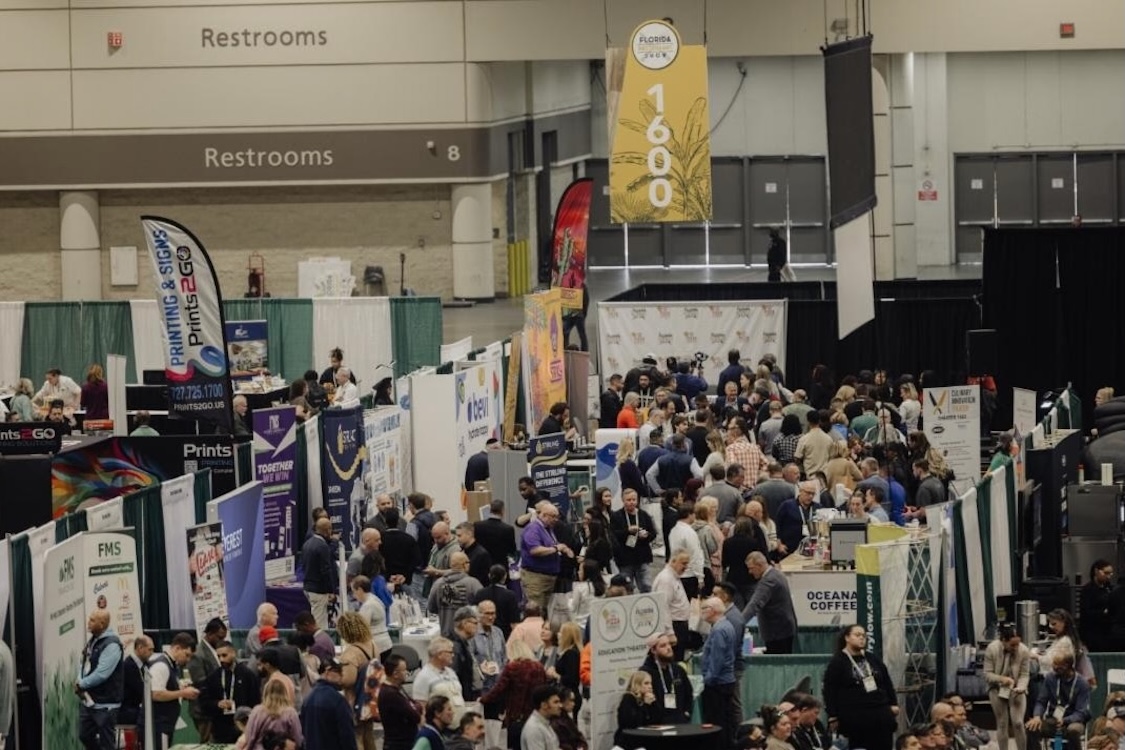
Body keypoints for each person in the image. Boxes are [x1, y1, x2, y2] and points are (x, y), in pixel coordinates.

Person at [822, 625, 899, 750]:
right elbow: (829, 691)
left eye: (864, 635)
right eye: (857, 635)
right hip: (855, 717)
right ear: (847, 637)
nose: (862, 638)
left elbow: (886, 682)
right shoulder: (838, 662)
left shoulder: (872, 658)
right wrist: (833, 715)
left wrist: (893, 704)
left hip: (880, 714)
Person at [481, 640, 549, 749]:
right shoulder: (539, 667)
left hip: (516, 716)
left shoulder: (512, 667)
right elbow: (545, 689)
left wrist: (483, 699)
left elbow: (499, 689)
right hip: (535, 716)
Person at [76, 609, 124, 750]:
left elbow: (102, 673)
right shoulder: (93, 640)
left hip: (106, 704)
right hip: (89, 701)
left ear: (102, 624)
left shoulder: (112, 645)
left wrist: (82, 684)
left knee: (107, 743)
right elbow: (84, 663)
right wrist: (79, 680)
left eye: (92, 620)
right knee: (84, 735)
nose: (88, 623)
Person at [146, 632, 199, 750]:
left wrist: (180, 689)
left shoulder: (170, 665)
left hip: (164, 724)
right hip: (158, 725)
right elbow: (155, 694)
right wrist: (182, 693)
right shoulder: (161, 665)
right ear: (177, 648)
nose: (188, 659)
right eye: (187, 655)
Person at [200, 640, 261, 744]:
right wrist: (217, 704)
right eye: (218, 656)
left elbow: (255, 701)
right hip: (220, 728)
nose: (221, 659)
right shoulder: (213, 677)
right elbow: (204, 702)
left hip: (244, 727)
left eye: (224, 655)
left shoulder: (247, 675)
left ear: (234, 653)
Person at [1027, 653, 1090, 750]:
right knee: (1031, 727)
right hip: (1054, 719)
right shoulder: (1050, 678)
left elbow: (1081, 712)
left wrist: (1065, 720)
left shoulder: (1082, 683)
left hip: (1073, 721)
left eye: (1057, 665)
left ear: (1067, 666)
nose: (1054, 667)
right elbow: (1041, 701)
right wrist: (1037, 716)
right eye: (1053, 664)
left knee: (1073, 730)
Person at [700, 597, 739, 748]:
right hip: (725, 681)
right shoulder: (726, 626)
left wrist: (708, 680)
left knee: (717, 723)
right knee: (725, 721)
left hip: (718, 684)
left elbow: (717, 659)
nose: (702, 612)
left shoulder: (719, 630)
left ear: (712, 610)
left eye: (704, 609)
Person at [519, 502, 572, 612]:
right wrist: (556, 548)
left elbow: (552, 544)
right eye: (553, 516)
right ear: (543, 515)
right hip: (536, 579)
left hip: (549, 579)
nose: (556, 519)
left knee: (546, 612)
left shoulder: (548, 528)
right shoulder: (533, 529)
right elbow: (535, 550)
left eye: (557, 516)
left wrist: (565, 549)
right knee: (536, 611)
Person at [740, 551, 797, 653]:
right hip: (784, 629)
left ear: (760, 565)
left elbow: (755, 604)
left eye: (751, 568)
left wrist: (738, 623)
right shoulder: (776, 573)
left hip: (777, 633)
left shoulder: (769, 580)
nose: (749, 572)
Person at [300, 657, 358, 750]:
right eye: (338, 671)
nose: (342, 675)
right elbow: (347, 735)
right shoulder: (337, 701)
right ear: (327, 671)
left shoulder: (308, 698)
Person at [187, 617, 228, 741]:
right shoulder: (198, 655)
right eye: (220, 637)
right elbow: (201, 684)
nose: (222, 640)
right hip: (203, 711)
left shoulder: (216, 651)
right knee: (207, 744)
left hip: (216, 708)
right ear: (210, 634)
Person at [609, 489, 656, 592]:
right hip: (625, 559)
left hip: (642, 557)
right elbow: (613, 535)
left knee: (646, 586)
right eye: (628, 500)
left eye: (634, 499)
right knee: (627, 588)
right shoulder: (616, 516)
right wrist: (627, 531)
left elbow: (653, 533)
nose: (631, 502)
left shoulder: (644, 515)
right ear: (623, 500)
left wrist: (646, 535)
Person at [639, 632, 692, 724]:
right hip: (658, 724)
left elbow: (689, 692)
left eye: (669, 644)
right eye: (663, 646)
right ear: (653, 650)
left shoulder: (678, 669)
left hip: (680, 722)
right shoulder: (645, 673)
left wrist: (687, 713)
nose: (669, 648)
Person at [240, 678, 304, 750]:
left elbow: (250, 737)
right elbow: (297, 739)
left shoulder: (257, 711)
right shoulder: (291, 713)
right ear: (285, 693)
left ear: (265, 693)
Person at [377, 654, 423, 750]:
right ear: (395, 674)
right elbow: (415, 715)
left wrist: (416, 706)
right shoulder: (391, 695)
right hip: (398, 745)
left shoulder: (397, 689)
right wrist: (415, 707)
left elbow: (415, 705)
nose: (407, 672)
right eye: (404, 670)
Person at [301, 517, 338, 629]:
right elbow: (325, 571)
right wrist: (330, 591)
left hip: (308, 586)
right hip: (318, 590)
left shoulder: (307, 543)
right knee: (319, 624)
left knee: (317, 619)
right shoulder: (322, 546)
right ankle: (319, 645)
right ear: (328, 530)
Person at [613, 671, 659, 749]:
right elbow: (632, 723)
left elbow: (657, 719)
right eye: (646, 683)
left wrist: (653, 704)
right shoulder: (628, 699)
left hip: (643, 741)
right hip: (627, 743)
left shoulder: (647, 699)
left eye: (651, 683)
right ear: (637, 685)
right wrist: (645, 705)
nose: (650, 686)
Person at [1080, 560, 1115, 653]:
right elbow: (1086, 613)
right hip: (1093, 634)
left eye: (1111, 573)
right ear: (1096, 571)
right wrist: (1103, 612)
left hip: (1108, 631)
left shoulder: (1109, 588)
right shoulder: (1088, 590)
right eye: (1106, 573)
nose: (1109, 576)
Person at [776, 481, 819, 553]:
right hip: (789, 548)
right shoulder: (787, 505)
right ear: (800, 491)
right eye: (808, 493)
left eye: (813, 494)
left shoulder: (818, 508)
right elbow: (777, 524)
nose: (811, 496)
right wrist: (779, 544)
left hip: (812, 549)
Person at [120, 635, 153, 730]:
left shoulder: (144, 664)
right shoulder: (129, 666)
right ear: (140, 648)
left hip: (135, 708)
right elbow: (142, 691)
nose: (152, 653)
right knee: (158, 717)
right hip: (127, 711)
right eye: (150, 649)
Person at [475, 499, 517, 566]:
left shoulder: (477, 525)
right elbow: (512, 550)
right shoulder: (508, 529)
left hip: (482, 563)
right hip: (500, 565)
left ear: (490, 510)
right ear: (502, 511)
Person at [521, 683, 563, 750]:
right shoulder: (534, 729)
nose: (560, 706)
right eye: (556, 702)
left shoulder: (546, 723)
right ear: (544, 705)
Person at [454, 522, 492, 586]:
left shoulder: (482, 555)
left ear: (469, 534)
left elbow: (484, 580)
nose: (457, 539)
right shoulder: (462, 552)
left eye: (459, 536)